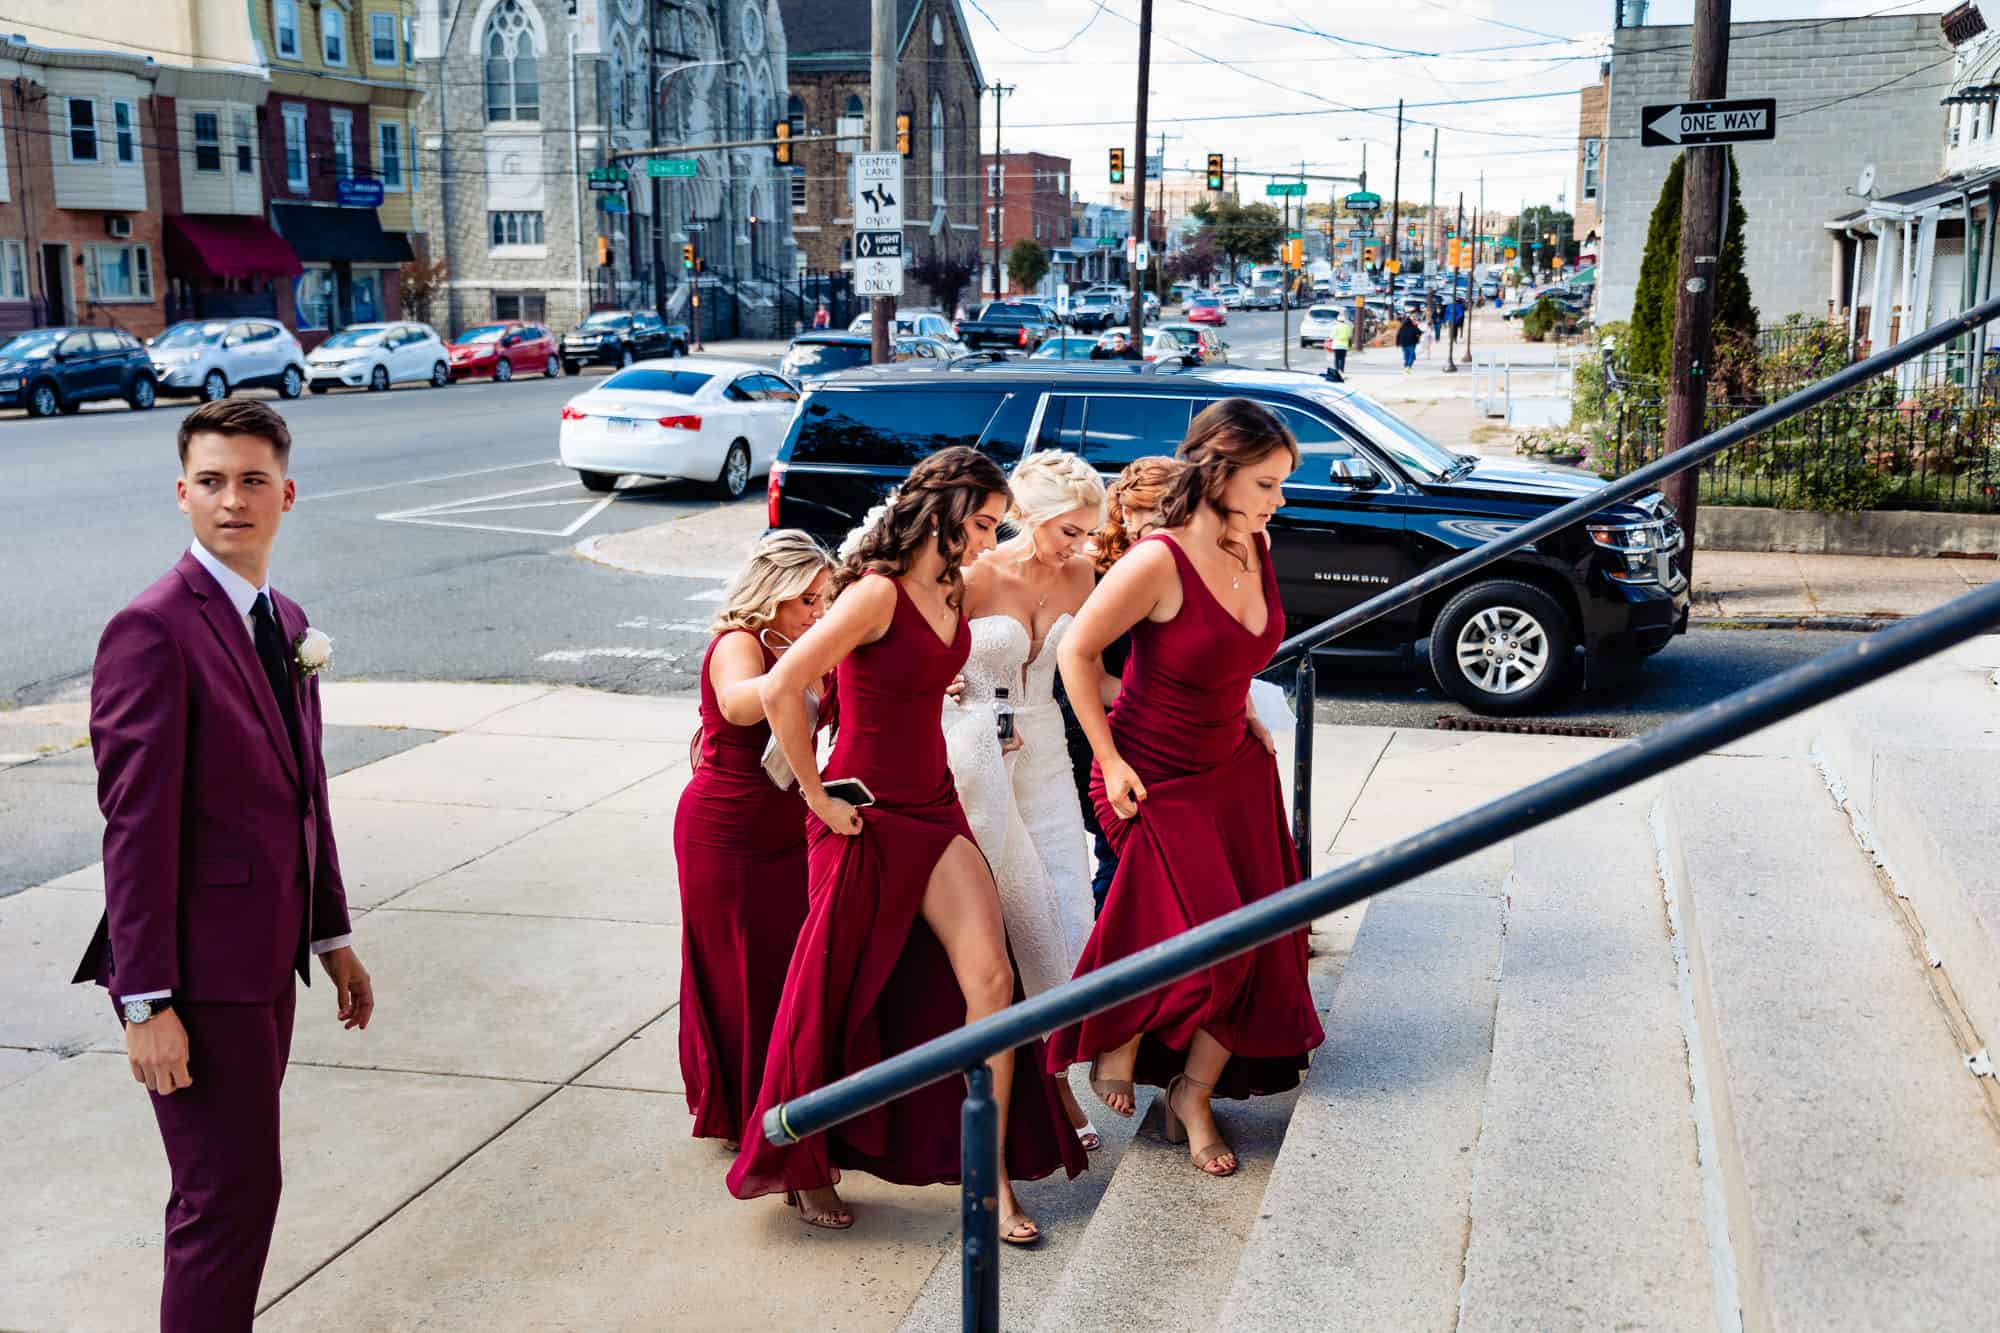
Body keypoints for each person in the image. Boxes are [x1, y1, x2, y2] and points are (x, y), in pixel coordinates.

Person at [71, 398, 374, 1332]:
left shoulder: (283, 617)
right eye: (210, 481)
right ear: (181, 494)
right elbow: (135, 828)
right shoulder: (151, 630)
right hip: (194, 978)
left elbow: (302, 788)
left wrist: (332, 936)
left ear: (286, 493)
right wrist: (147, 1003)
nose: (231, 499)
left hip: (264, 960)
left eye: (250, 480)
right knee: (223, 1201)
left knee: (241, 1190)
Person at [728, 447, 1084, 1239]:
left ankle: (987, 1181)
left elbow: (934, 669)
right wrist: (817, 797)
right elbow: (785, 687)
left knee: (992, 979)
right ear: (950, 512)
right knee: (831, 995)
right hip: (868, 812)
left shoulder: (953, 587)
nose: (993, 539)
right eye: (986, 522)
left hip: (936, 801)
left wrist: (944, 684)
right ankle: (802, 1160)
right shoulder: (873, 592)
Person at [1048, 399, 1324, 1179]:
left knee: (1270, 946)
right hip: (1153, 771)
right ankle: (1118, 1033)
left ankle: (1193, 1091)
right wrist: (1108, 760)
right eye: (1269, 482)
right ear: (1221, 471)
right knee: (1212, 948)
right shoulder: (1156, 559)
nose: (1279, 499)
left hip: (1234, 766)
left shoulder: (1256, 541)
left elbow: (1231, 648)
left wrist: (1242, 707)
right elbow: (1077, 654)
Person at [943, 450, 1106, 1151]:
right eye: (1069, 530)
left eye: (1088, 531)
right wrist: (945, 686)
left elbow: (1090, 666)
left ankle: (1058, 1070)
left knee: (1070, 906)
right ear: (1030, 518)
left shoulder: (1084, 574)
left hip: (1045, 751)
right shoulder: (979, 574)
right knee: (1013, 912)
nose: (1082, 545)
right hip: (979, 748)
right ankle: (1036, 1087)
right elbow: (930, 650)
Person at [674, 531, 832, 1165]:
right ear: (774, 596)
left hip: (785, 818)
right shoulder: (740, 643)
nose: (819, 614)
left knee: (781, 967)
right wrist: (803, 663)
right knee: (737, 968)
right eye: (808, 602)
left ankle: (774, 1099)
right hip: (726, 825)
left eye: (826, 601)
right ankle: (740, 1111)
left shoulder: (800, 641)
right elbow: (742, 707)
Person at [1058, 456, 1183, 921]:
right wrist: (1167, 700)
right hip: (1099, 729)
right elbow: (1085, 672)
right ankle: (1098, 963)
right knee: (1119, 854)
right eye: (1129, 512)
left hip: (1144, 726)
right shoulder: (1105, 573)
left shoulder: (1166, 562)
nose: (1134, 525)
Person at [1324, 313, 1352, 381]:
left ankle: (1336, 370)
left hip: (1336, 345)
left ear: (1338, 320)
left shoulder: (1335, 327)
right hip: (1344, 346)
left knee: (1336, 358)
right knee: (1342, 359)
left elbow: (1332, 336)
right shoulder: (1347, 327)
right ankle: (1342, 370)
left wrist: (1328, 340)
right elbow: (1349, 336)